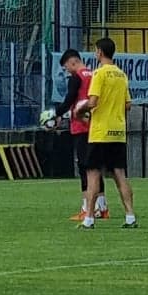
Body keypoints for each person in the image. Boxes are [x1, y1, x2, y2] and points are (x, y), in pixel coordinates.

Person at [78, 36, 137, 230]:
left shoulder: (99, 74)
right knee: (120, 174)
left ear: (99, 52)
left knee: (93, 174)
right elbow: (128, 105)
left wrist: (80, 109)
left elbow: (93, 102)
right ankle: (130, 216)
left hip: (100, 132)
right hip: (118, 132)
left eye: (96, 50)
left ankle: (89, 218)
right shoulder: (121, 75)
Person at [55, 46, 108, 222]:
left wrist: (57, 113)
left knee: (85, 167)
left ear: (73, 62)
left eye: (66, 67)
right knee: (95, 166)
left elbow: (70, 99)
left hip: (81, 127)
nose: (67, 71)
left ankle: (87, 208)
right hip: (95, 126)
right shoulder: (94, 75)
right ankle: (102, 207)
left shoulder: (76, 77)